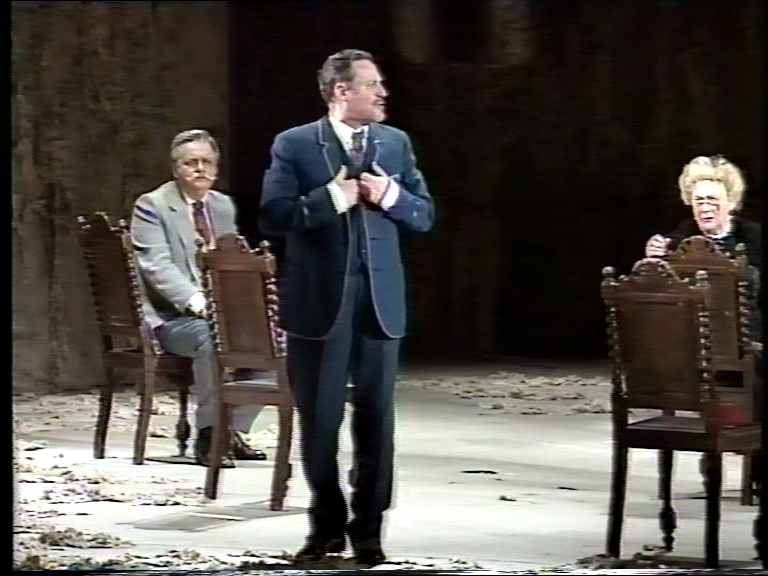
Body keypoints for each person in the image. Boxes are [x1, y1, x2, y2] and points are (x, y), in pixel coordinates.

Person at [259, 49, 434, 566]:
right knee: (320, 422)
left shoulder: (396, 143)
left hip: (380, 305)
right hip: (319, 306)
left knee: (377, 420)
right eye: (373, 84)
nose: (383, 93)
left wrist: (391, 196)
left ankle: (370, 530)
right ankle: (326, 524)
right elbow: (273, 216)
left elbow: (425, 216)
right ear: (342, 91)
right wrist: (331, 199)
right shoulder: (294, 144)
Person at [130, 129, 268, 468]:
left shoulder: (222, 206)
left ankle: (232, 429)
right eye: (190, 163)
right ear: (176, 168)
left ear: (217, 168)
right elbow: (157, 266)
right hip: (172, 319)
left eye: (207, 162)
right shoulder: (152, 206)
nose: (200, 169)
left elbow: (231, 262)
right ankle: (210, 434)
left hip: (220, 312)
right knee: (213, 338)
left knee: (278, 343)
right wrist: (199, 303)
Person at [644, 155, 761, 344]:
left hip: (744, 331)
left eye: (712, 200)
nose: (705, 208)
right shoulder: (683, 234)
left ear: (731, 203)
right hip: (694, 333)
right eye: (698, 201)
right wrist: (655, 256)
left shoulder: (752, 235)